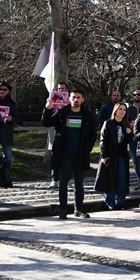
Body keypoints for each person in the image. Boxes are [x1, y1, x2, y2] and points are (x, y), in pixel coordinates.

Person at [43, 89, 97, 219]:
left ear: (82, 99)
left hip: (80, 155)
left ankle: (79, 209)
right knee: (63, 183)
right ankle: (63, 209)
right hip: (64, 154)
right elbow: (46, 122)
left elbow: (92, 134)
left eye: (79, 97)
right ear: (69, 99)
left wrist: (87, 149)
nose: (76, 100)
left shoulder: (88, 115)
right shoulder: (62, 113)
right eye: (73, 97)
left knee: (79, 183)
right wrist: (48, 109)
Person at [96, 101, 132, 210]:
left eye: (124, 110)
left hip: (122, 155)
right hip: (110, 155)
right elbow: (103, 140)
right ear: (115, 110)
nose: (122, 111)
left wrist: (130, 132)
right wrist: (104, 155)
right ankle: (110, 202)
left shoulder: (125, 125)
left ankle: (120, 201)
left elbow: (129, 141)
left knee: (122, 178)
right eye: (120, 109)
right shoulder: (108, 123)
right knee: (110, 178)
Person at [45, 81, 68, 189]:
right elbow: (46, 121)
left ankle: (65, 179)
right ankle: (54, 179)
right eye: (59, 89)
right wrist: (48, 109)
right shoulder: (52, 102)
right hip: (56, 133)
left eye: (63, 89)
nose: (61, 91)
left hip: (68, 135)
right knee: (56, 157)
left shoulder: (70, 103)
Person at [0, 80, 20, 165]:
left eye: (5, 89)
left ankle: (6, 176)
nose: (2, 91)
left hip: (7, 133)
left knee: (7, 158)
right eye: (0, 89)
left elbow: (17, 118)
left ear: (8, 91)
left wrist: (11, 118)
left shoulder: (12, 104)